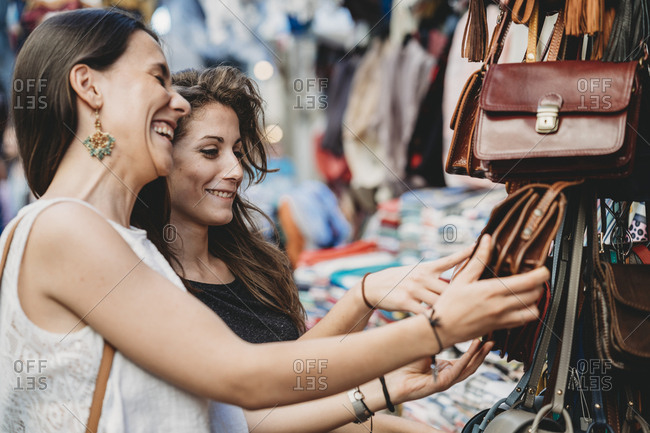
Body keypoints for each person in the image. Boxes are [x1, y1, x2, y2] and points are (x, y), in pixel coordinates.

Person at [0, 8, 549, 433]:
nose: (177, 102)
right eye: (158, 78)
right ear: (88, 86)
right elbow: (243, 374)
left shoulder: (123, 245)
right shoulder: (63, 229)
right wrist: (434, 329)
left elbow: (235, 415)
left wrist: (383, 383)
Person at [133, 66, 547, 432]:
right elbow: (244, 414)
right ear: (162, 157)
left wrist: (364, 296)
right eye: (211, 151)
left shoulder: (252, 262)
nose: (236, 170)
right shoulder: (151, 284)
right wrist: (397, 370)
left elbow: (292, 375)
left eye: (238, 152)